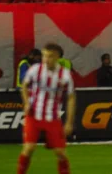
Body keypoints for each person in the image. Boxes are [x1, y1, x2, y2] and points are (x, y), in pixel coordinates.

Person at [18, 43, 76, 174]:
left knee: (60, 152)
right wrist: (26, 103)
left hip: (52, 117)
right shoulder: (35, 70)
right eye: (44, 56)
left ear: (57, 57)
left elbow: (71, 97)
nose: (46, 59)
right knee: (29, 148)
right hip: (34, 115)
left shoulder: (65, 75)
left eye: (50, 56)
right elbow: (24, 86)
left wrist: (69, 122)